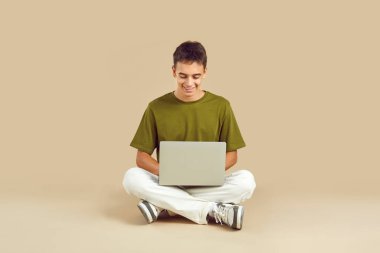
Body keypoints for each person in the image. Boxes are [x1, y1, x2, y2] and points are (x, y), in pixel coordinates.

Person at [122, 41, 256, 230]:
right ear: (173, 72)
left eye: (196, 76)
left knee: (246, 181)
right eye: (183, 76)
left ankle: (162, 204)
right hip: (168, 183)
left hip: (207, 184)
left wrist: (205, 172)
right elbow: (141, 158)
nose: (189, 83)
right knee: (131, 178)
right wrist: (168, 172)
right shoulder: (156, 107)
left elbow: (232, 155)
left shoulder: (221, 106)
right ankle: (212, 210)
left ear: (205, 73)